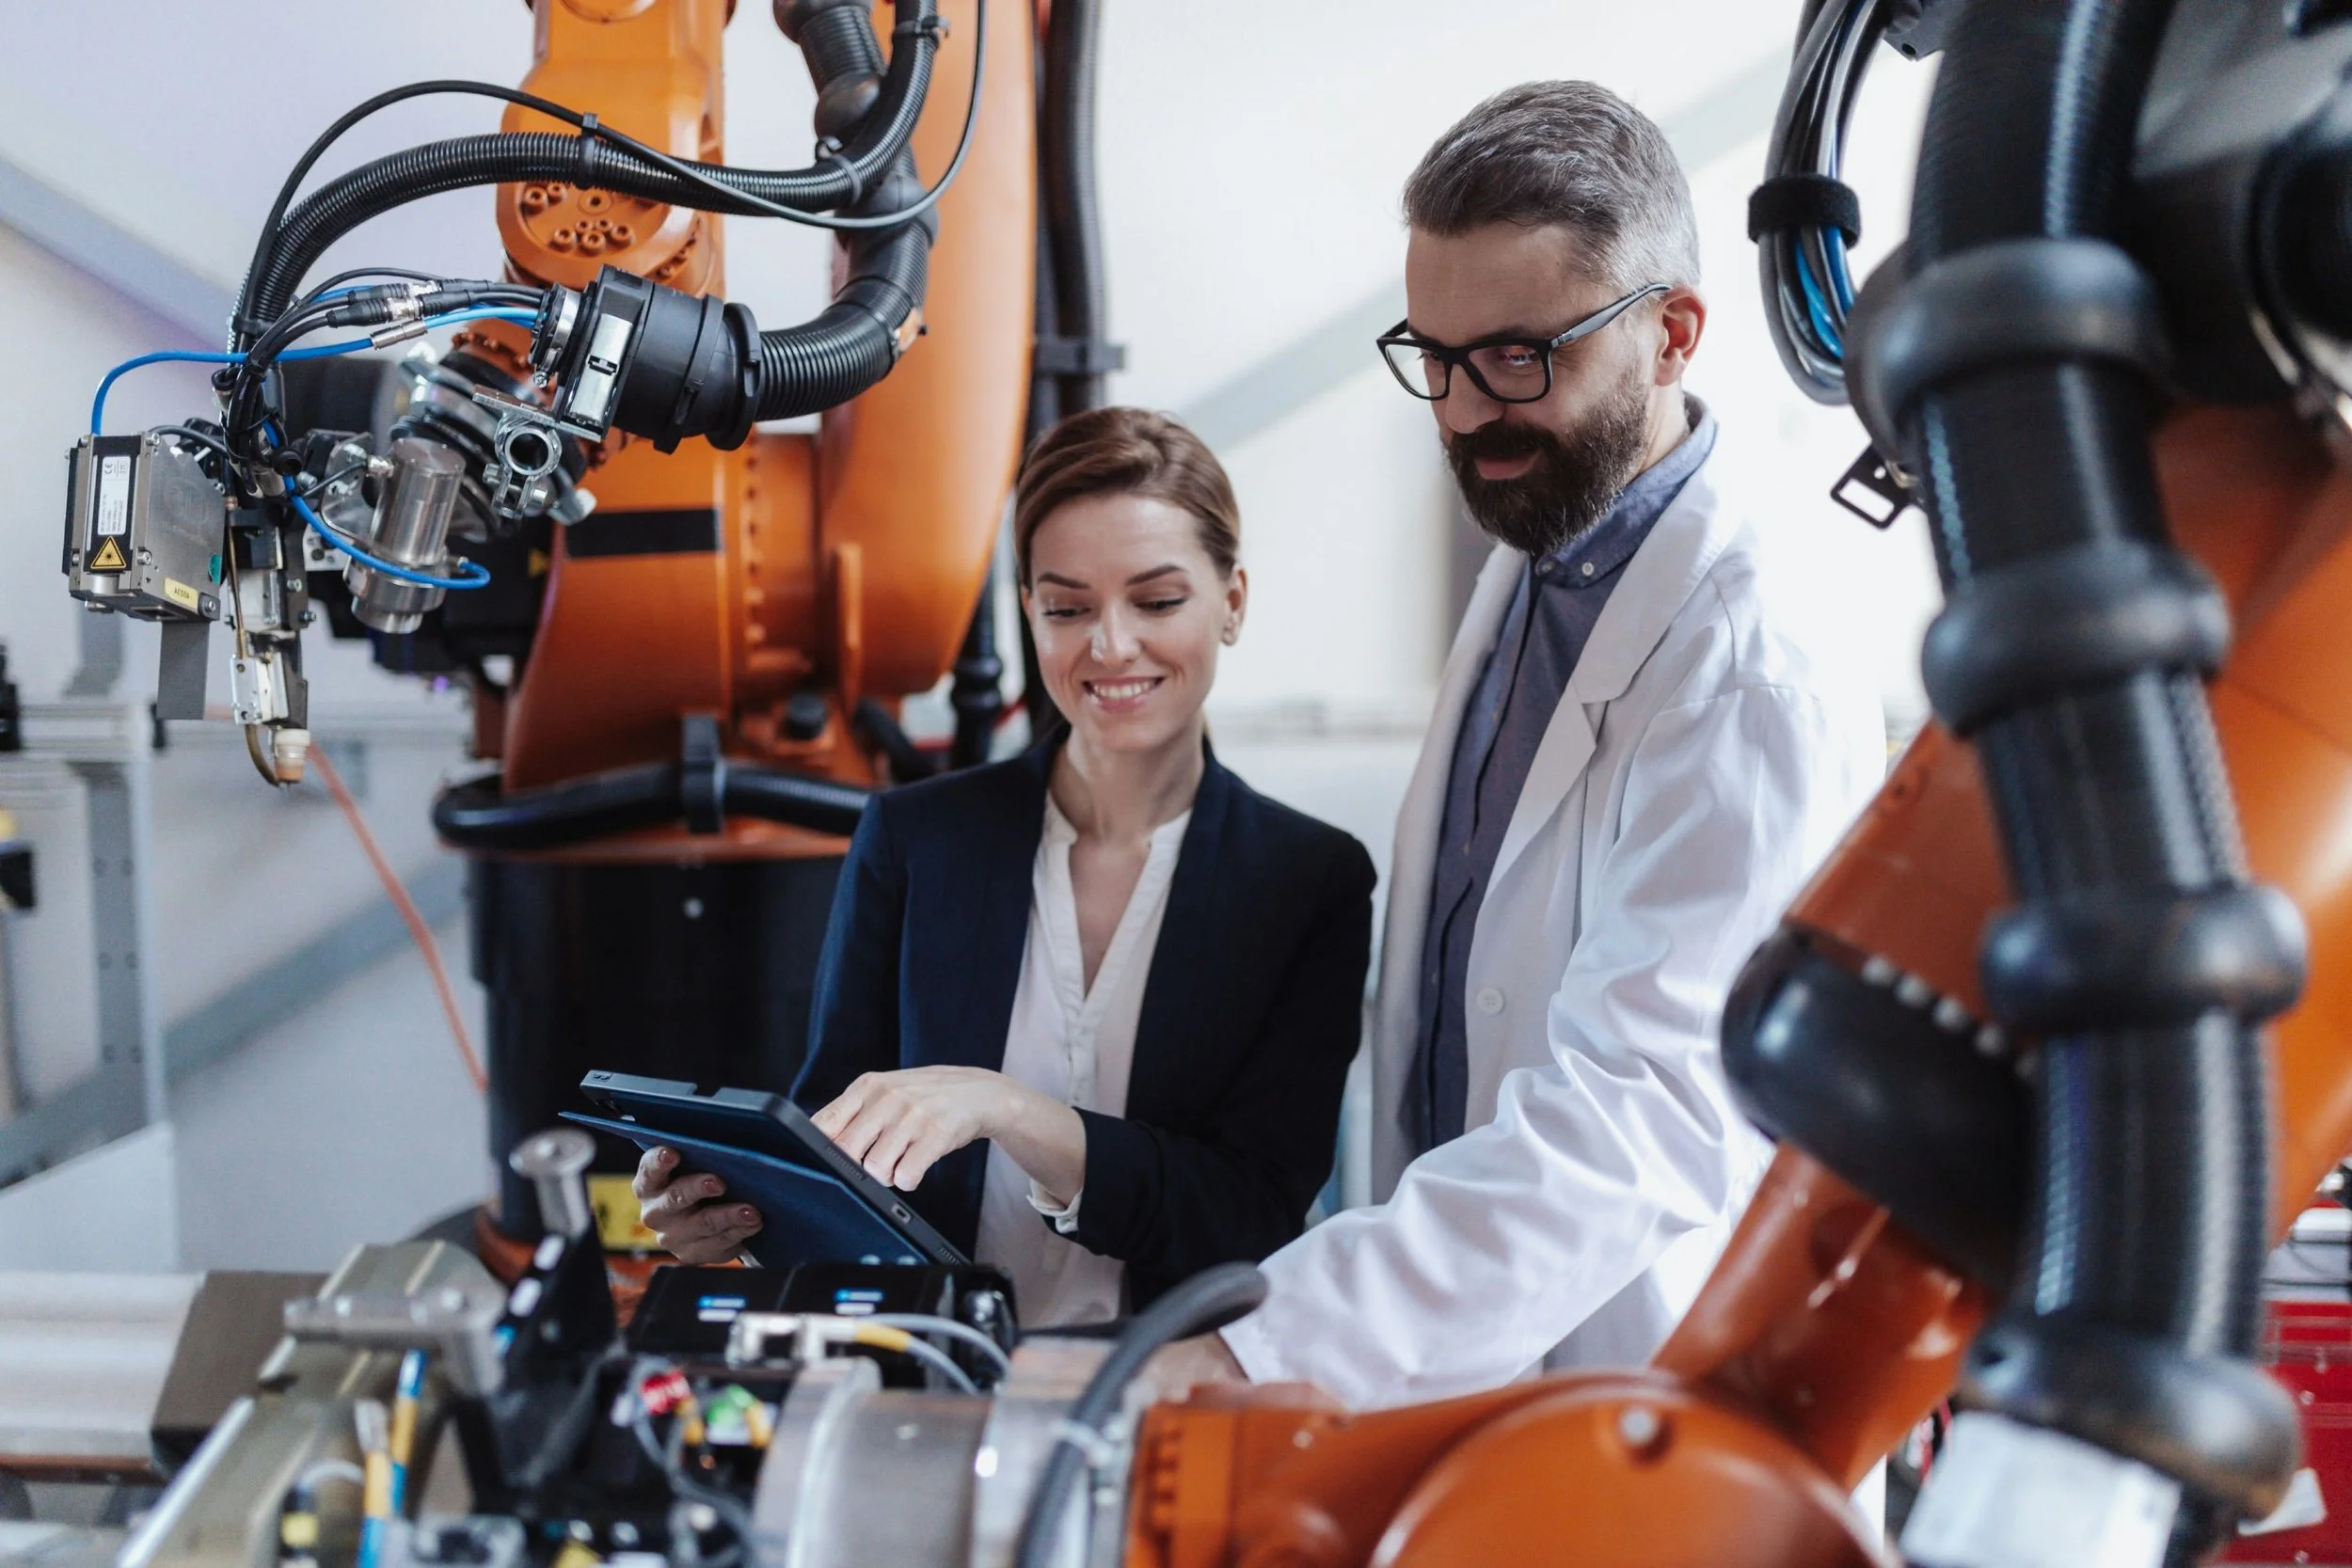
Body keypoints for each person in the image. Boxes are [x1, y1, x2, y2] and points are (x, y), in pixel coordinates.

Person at [1150, 81, 1885, 1405]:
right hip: (1475, 1371)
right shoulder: (1548, 547)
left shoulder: (1745, 658)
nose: (1462, 409)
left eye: (1516, 356)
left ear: (1673, 334)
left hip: (1649, 1405)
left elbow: (1643, 1112)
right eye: (1433, 356)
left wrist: (1263, 1345)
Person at [632, 406, 1378, 1324]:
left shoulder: (1307, 882)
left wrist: (1007, 1110)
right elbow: (841, 1142)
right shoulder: (916, 838)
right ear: (1029, 609)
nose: (1108, 644)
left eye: (1156, 600)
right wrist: (741, 1214)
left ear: (1231, 601)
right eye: (1067, 607)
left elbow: (1247, 1216)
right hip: (927, 1370)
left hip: (1169, 1388)